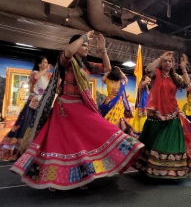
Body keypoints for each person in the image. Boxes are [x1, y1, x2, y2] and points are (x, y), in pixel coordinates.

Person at [10, 31, 144, 190]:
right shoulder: (65, 61)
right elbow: (67, 52)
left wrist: (103, 49)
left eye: (87, 45)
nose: (86, 47)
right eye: (84, 45)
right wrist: (83, 37)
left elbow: (107, 68)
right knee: (62, 144)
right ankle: (54, 179)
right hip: (65, 109)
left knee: (90, 138)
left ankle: (83, 176)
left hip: (82, 108)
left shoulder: (86, 66)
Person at [134, 51, 191, 179]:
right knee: (152, 141)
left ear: (172, 64)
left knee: (169, 142)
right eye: (165, 61)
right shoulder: (156, 74)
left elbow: (187, 85)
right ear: (161, 63)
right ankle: (150, 167)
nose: (167, 63)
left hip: (172, 114)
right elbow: (148, 69)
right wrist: (161, 56)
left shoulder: (175, 76)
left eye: (170, 61)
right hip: (156, 115)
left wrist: (183, 68)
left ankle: (172, 169)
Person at [0, 56, 51, 161]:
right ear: (39, 64)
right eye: (45, 62)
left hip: (41, 106)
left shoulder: (45, 77)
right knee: (25, 125)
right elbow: (35, 78)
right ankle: (16, 150)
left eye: (47, 63)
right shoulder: (35, 73)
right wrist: (46, 70)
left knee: (37, 127)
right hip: (32, 105)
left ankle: (32, 150)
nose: (46, 64)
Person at [99, 66, 134, 133]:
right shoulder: (121, 81)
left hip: (109, 101)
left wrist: (108, 72)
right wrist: (120, 70)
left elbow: (103, 78)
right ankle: (116, 131)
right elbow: (126, 79)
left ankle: (106, 129)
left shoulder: (108, 81)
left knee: (108, 116)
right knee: (118, 117)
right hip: (118, 103)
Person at [131, 68, 151, 136]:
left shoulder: (148, 88)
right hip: (141, 109)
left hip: (147, 108)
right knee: (140, 124)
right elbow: (141, 85)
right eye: (147, 79)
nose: (149, 81)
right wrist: (147, 78)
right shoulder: (141, 86)